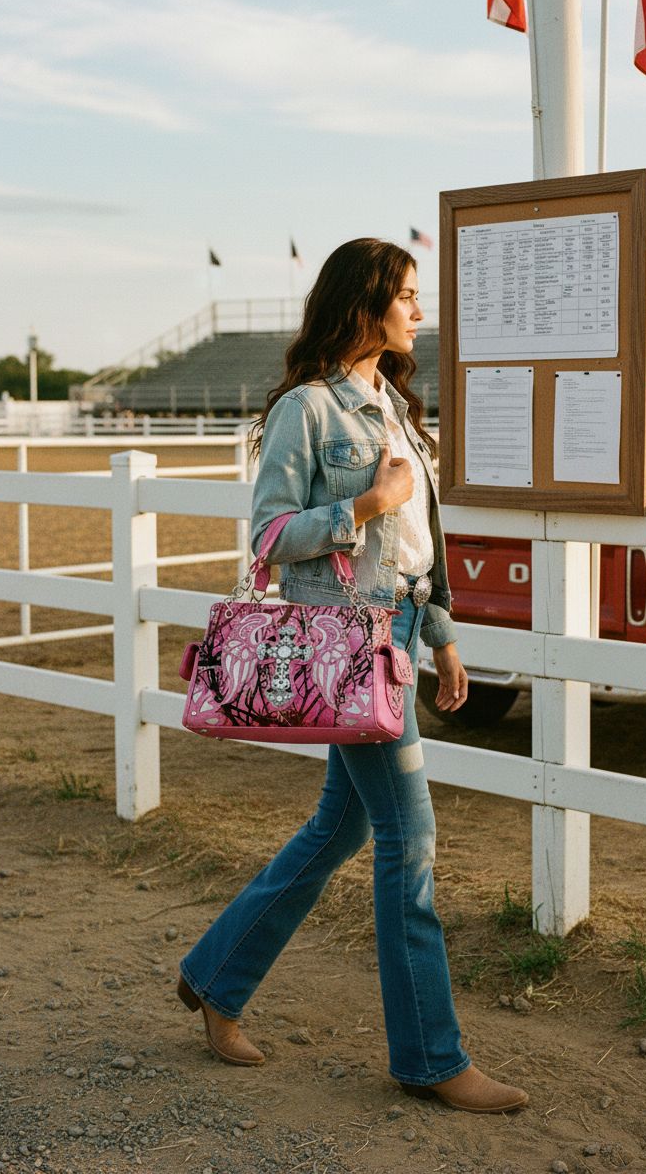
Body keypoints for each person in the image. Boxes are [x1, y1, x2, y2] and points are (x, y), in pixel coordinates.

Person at [177, 238, 528, 1114]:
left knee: (342, 826)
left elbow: (420, 546)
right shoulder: (308, 410)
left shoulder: (395, 408)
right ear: (364, 304)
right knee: (410, 837)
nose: (419, 310)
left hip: (397, 632)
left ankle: (216, 976)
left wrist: (442, 635)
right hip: (342, 642)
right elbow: (269, 536)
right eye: (406, 296)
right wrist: (364, 506)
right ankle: (430, 1058)